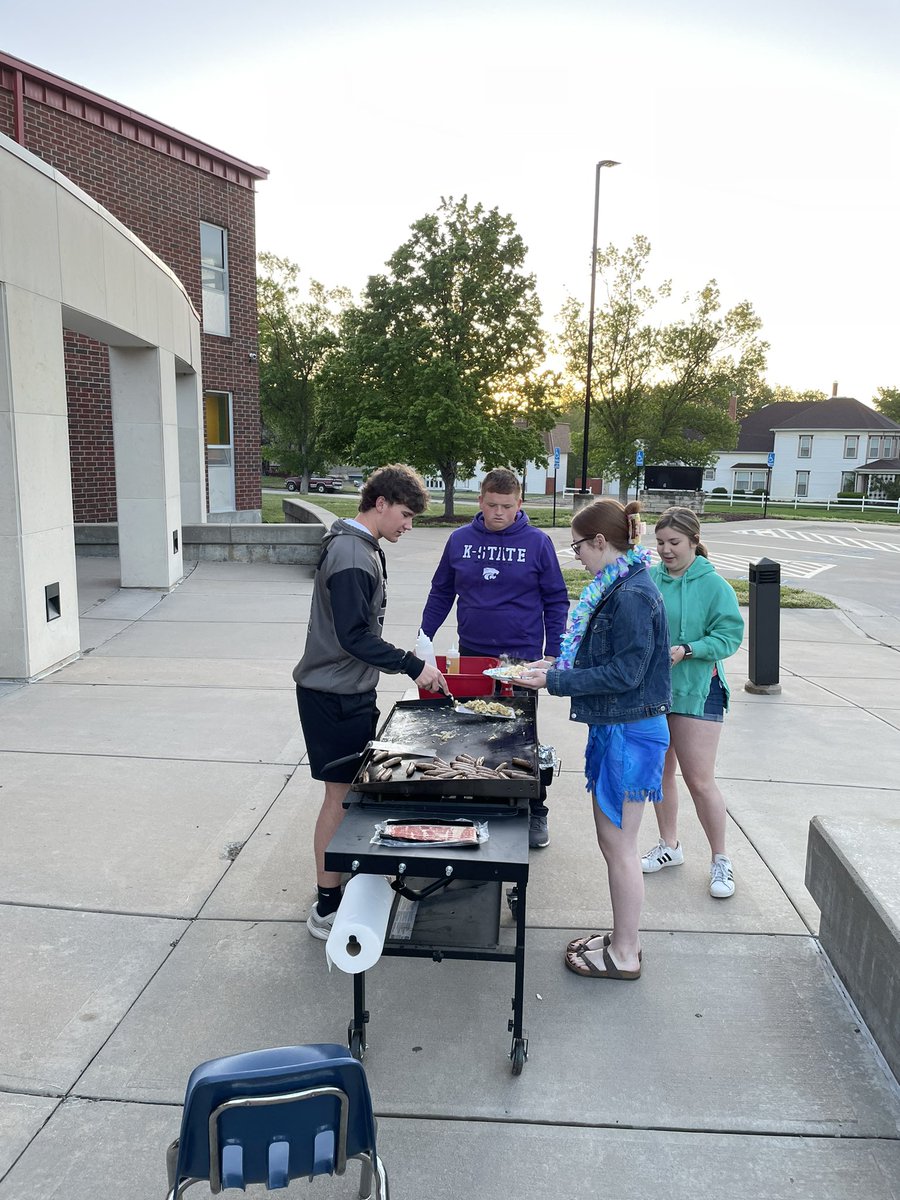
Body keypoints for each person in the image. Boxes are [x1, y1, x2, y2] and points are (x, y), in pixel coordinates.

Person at [517, 499, 671, 979]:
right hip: (619, 726)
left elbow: (625, 672)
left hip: (630, 730)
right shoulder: (621, 585)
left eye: (578, 546)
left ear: (601, 541)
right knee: (614, 843)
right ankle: (624, 938)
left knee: (619, 845)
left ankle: (625, 954)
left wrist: (554, 682)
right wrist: (557, 665)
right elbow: (609, 659)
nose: (576, 554)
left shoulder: (631, 595)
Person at [294, 464, 447, 940]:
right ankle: (326, 906)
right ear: (379, 503)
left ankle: (340, 886)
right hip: (331, 694)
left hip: (346, 691)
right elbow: (354, 636)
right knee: (339, 797)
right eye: (405, 514)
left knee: (349, 795)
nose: (408, 524)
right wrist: (411, 664)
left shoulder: (361, 548)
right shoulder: (352, 554)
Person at [419, 467, 570, 848]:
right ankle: (477, 802)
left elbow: (555, 599)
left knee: (519, 736)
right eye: (491, 505)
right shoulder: (459, 540)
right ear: (480, 500)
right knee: (471, 733)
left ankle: (535, 811)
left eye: (506, 506)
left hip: (521, 657)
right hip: (472, 652)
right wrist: (424, 635)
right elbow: (441, 592)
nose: (498, 512)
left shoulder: (537, 543)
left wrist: (554, 653)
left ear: (520, 504)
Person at [642, 506, 745, 899]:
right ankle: (670, 846)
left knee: (699, 780)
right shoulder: (650, 580)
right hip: (655, 692)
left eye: (674, 543)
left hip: (699, 690)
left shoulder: (714, 584)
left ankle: (721, 859)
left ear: (694, 542)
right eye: (661, 543)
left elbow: (729, 637)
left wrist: (688, 649)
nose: (666, 551)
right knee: (660, 774)